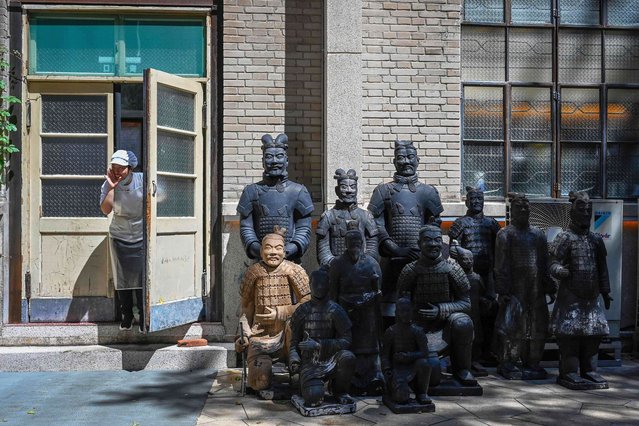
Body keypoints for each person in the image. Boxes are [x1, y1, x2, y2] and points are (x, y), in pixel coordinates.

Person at [367, 140, 444, 322]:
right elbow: (375, 223)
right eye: (401, 158)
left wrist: (424, 248)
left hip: (420, 259)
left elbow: (435, 223)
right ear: (394, 162)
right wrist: (393, 248)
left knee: (422, 304)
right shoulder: (383, 191)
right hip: (391, 258)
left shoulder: (428, 191)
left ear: (418, 160)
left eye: (410, 157)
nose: (406, 162)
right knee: (390, 307)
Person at [397, 225, 476, 387]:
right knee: (432, 377)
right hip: (418, 330)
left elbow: (466, 303)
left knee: (463, 322)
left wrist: (441, 310)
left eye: (437, 240)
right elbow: (402, 305)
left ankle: (462, 369)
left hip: (445, 327)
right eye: (428, 240)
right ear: (419, 244)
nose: (433, 244)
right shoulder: (410, 270)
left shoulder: (452, 268)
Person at [235, 226, 311, 391]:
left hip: (287, 337)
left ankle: (294, 361)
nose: (273, 252)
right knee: (259, 382)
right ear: (261, 251)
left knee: (299, 380)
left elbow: (307, 301)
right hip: (260, 336)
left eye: (278, 248)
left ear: (284, 252)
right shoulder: (253, 273)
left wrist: (281, 312)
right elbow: (246, 309)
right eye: (268, 248)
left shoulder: (293, 270)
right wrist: (244, 334)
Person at [549, 191, 612, 389]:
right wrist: (559, 270)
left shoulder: (596, 240)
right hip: (570, 296)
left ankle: (590, 371)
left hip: (591, 297)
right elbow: (551, 261)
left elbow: (602, 267)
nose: (585, 214)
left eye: (588, 211)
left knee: (593, 336)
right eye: (582, 211)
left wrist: (606, 290)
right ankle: (568, 372)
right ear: (572, 214)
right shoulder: (564, 238)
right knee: (571, 337)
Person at [494, 193, 555, 380]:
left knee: (538, 327)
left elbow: (544, 262)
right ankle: (508, 363)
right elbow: (500, 265)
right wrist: (503, 291)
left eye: (526, 208)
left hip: (535, 288)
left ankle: (533, 362)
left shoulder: (538, 235)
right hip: (515, 289)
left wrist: (548, 284)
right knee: (512, 328)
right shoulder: (505, 234)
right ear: (512, 211)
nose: (523, 211)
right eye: (519, 208)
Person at [237, 133, 314, 263]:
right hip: (260, 261)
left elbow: (304, 228)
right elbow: (246, 228)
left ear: (286, 160)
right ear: (262, 161)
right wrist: (260, 250)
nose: (274, 161)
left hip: (290, 261)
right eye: (269, 156)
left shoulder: (298, 191)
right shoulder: (251, 191)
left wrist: (287, 250)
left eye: (279, 156)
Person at [328, 221, 383, 395]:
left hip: (368, 313)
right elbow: (332, 294)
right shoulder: (337, 264)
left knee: (369, 345)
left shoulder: (372, 263)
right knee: (347, 345)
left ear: (362, 244)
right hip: (346, 312)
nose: (355, 247)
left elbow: (379, 291)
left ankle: (373, 376)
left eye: (358, 243)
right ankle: (347, 378)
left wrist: (370, 298)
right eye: (351, 244)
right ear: (346, 244)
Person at [289, 267, 356, 408]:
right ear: (310, 285)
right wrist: (294, 360)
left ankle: (340, 392)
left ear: (328, 285)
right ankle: (310, 386)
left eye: (323, 284)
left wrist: (319, 344)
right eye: (316, 284)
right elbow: (294, 342)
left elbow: (347, 340)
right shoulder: (302, 311)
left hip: (332, 360)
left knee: (348, 357)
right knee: (313, 399)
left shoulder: (335, 310)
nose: (319, 287)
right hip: (310, 364)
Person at [100, 150, 144, 332]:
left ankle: (143, 315)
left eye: (121, 168)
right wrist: (111, 186)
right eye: (114, 167)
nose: (117, 171)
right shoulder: (108, 183)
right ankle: (127, 315)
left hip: (141, 234)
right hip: (120, 235)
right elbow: (105, 210)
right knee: (122, 280)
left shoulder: (142, 179)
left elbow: (161, 197)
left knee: (142, 278)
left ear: (130, 168)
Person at [316, 169, 378, 267]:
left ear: (357, 189)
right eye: (344, 187)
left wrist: (364, 264)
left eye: (352, 187)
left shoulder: (366, 216)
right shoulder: (328, 216)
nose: (349, 191)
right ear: (337, 190)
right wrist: (334, 265)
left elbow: (372, 246)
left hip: (361, 268)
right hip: (335, 269)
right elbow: (323, 249)